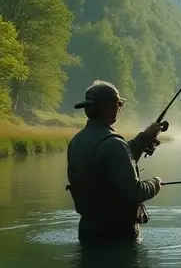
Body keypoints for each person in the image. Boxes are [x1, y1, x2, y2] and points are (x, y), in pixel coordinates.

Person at [65, 80, 165, 244]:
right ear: (107, 108)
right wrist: (155, 184)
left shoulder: (77, 141)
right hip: (118, 235)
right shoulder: (114, 144)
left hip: (87, 231)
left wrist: (145, 137)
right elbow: (134, 192)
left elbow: (114, 160)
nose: (120, 108)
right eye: (119, 103)